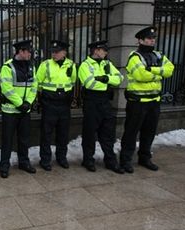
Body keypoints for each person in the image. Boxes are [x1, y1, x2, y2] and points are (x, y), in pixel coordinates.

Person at [120, 26, 174, 173]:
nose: (152, 41)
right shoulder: (134, 57)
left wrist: (151, 70)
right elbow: (140, 76)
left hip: (154, 102)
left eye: (153, 38)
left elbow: (170, 69)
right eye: (149, 38)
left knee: (149, 132)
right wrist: (159, 73)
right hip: (137, 102)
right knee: (131, 132)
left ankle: (145, 158)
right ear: (140, 40)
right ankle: (125, 160)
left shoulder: (158, 55)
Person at [78, 40, 124, 174]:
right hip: (92, 102)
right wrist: (108, 82)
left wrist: (105, 78)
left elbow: (119, 78)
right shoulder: (85, 65)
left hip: (105, 102)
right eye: (104, 50)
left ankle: (110, 161)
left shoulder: (107, 64)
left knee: (108, 133)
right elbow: (89, 84)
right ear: (96, 50)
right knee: (89, 133)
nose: (106, 52)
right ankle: (88, 160)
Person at [0, 40, 38, 178]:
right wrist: (20, 104)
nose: (30, 54)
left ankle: (24, 162)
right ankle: (4, 165)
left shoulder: (32, 66)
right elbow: (6, 89)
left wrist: (28, 102)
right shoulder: (7, 67)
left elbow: (34, 86)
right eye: (28, 51)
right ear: (20, 51)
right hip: (10, 111)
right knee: (7, 139)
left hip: (24, 110)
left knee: (24, 139)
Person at [36, 40, 77, 171]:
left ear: (64, 52)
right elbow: (37, 82)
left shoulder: (71, 65)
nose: (54, 54)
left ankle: (61, 158)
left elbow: (73, 81)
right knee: (46, 134)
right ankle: (45, 160)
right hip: (49, 103)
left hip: (64, 104)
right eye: (53, 52)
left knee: (63, 133)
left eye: (57, 52)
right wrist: (42, 98)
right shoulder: (45, 65)